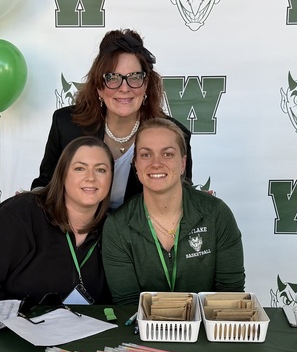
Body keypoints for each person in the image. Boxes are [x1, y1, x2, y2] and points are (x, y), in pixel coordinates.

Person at [32, 28, 192, 210]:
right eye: (113, 78)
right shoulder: (66, 125)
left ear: (146, 85)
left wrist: (199, 203)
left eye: (134, 77)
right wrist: (31, 202)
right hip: (76, 231)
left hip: (139, 235)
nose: (124, 88)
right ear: (99, 87)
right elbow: (46, 183)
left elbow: (179, 196)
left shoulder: (173, 135)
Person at [0, 137, 113, 304]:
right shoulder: (20, 214)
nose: (91, 178)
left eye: (101, 170)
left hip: (82, 328)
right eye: (80, 168)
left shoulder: (114, 230)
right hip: (7, 327)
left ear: (111, 178)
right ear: (62, 175)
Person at [102, 118, 244, 306]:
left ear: (183, 163)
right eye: (146, 155)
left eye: (168, 154)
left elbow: (230, 295)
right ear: (135, 164)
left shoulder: (216, 214)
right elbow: (128, 305)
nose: (156, 163)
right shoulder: (117, 226)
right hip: (145, 333)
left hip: (204, 331)